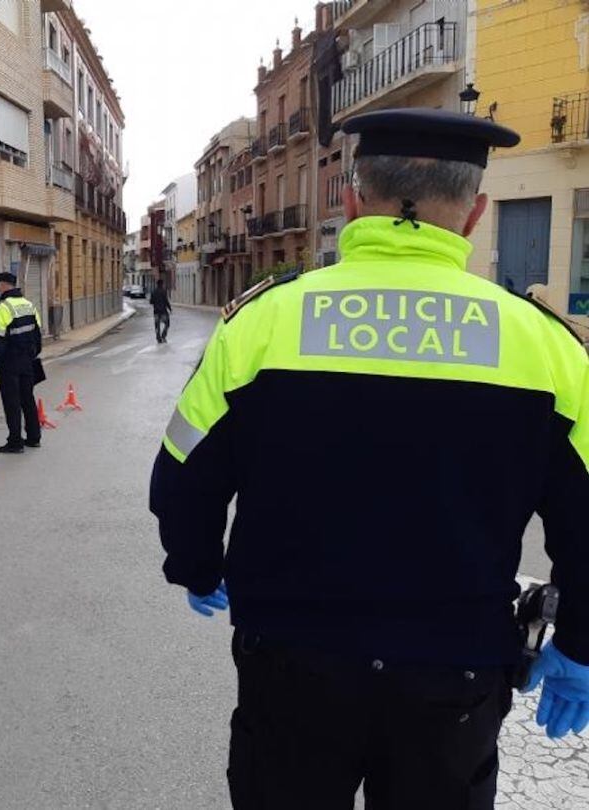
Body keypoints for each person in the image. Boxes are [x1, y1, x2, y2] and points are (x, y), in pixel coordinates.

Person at [149, 109, 589, 809]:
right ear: (473, 213)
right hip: (457, 675)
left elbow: (183, 472)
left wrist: (196, 565)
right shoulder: (546, 348)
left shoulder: (261, 324)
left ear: (353, 200)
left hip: (292, 661)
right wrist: (580, 643)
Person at [0, 271, 43, 454]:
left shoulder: (3, 307)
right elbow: (37, 335)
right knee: (28, 399)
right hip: (27, 361)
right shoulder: (28, 304)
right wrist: (31, 354)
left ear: (3, 285)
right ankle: (34, 437)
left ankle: (15, 442)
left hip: (10, 363)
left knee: (12, 403)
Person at [150, 278, 172, 343]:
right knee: (167, 324)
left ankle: (158, 338)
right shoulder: (164, 291)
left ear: (157, 284)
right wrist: (170, 308)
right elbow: (166, 301)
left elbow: (151, 302)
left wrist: (155, 303)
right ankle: (163, 336)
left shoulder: (153, 291)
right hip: (163, 311)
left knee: (157, 325)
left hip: (156, 312)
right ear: (162, 284)